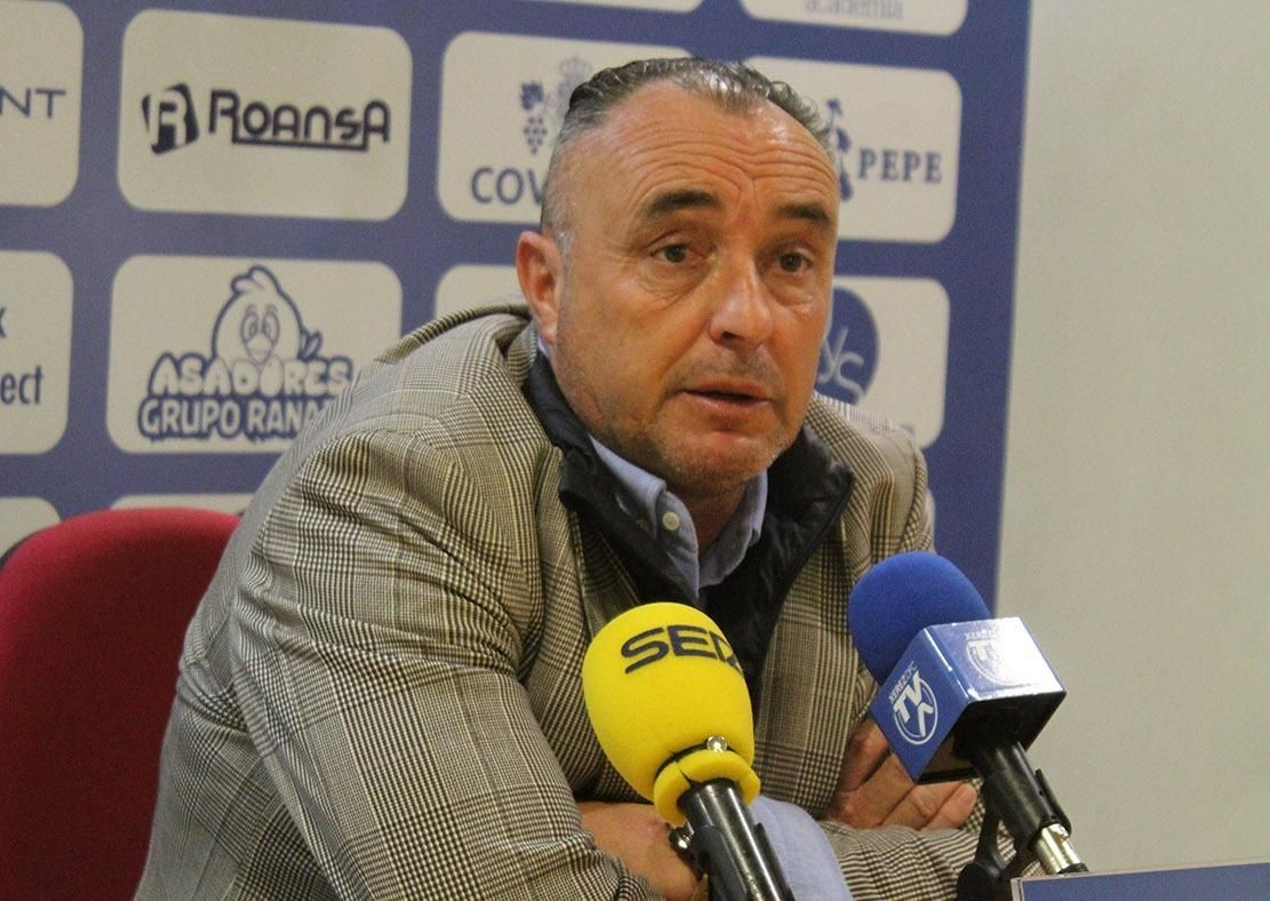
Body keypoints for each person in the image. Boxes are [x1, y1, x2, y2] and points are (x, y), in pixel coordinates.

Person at [138, 58, 982, 900]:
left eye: (792, 260)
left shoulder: (874, 485)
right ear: (547, 285)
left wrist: (661, 850)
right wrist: (815, 847)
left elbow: (1005, 859)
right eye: (677, 251)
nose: (748, 316)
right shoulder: (389, 486)